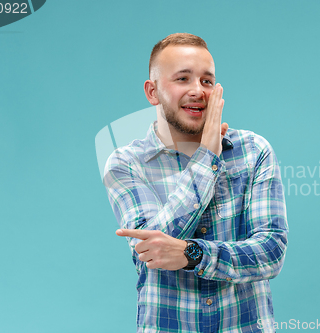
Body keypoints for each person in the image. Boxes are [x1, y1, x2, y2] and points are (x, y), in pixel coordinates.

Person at [103, 33, 288, 333]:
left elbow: (271, 251)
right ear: (152, 92)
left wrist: (193, 254)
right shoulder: (126, 163)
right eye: (183, 79)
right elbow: (152, 249)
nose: (197, 91)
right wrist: (207, 158)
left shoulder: (254, 151)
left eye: (206, 81)